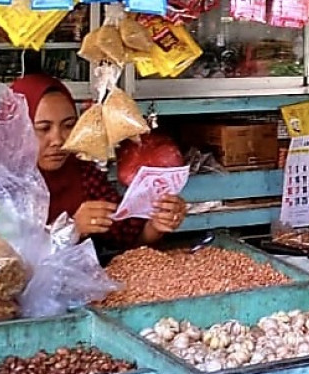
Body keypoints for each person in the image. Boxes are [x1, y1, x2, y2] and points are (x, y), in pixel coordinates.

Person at [10, 73, 187, 250]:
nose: (58, 139)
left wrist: (156, 224)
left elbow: (128, 237)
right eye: (43, 128)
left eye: (69, 125)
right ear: (16, 128)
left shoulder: (84, 176)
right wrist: (70, 230)